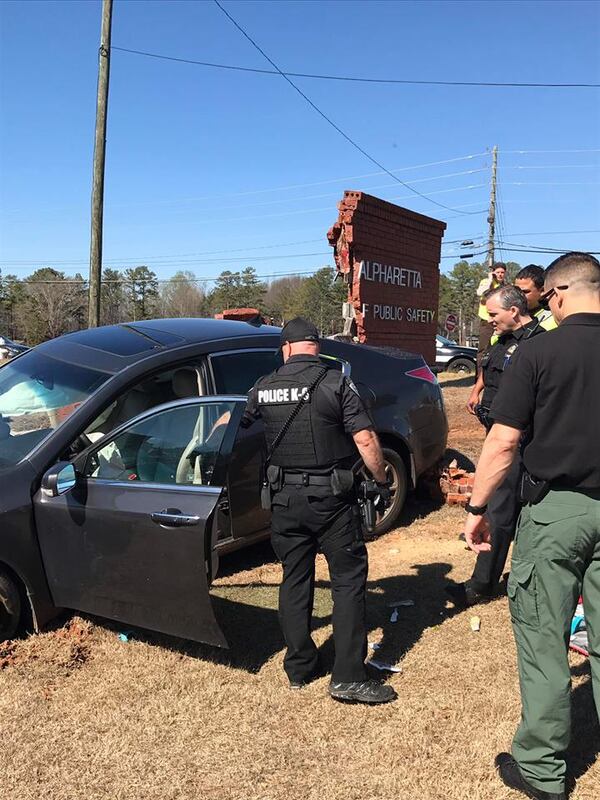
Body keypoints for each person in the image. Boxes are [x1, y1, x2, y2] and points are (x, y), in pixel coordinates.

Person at [464, 252, 600, 800]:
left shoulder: (538, 352)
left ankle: (541, 770)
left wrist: (477, 511)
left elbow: (502, 440)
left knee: (544, 637)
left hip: (558, 510)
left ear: (560, 293)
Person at [243, 317, 397, 704]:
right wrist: (380, 477)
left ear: (286, 348)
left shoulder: (262, 388)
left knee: (295, 579)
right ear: (317, 347)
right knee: (346, 582)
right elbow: (364, 437)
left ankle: (299, 667)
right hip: (331, 501)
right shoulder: (336, 383)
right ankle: (347, 676)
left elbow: (235, 425)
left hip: (283, 502)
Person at [449, 286, 544, 607]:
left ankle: (482, 584)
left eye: (494, 314)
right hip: (494, 429)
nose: (489, 320)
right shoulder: (501, 340)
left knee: (500, 507)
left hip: (518, 438)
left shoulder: (538, 342)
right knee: (502, 505)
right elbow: (488, 371)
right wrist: (477, 391)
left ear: (514, 311)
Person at [476, 262, 507, 361]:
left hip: (500, 320)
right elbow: (480, 292)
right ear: (493, 273)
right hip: (487, 321)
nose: (500, 274)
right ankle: (480, 375)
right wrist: (490, 279)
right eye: (498, 272)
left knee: (499, 347)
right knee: (484, 349)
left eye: (502, 272)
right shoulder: (486, 282)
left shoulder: (505, 286)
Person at [514, 264, 558, 332]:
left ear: (543, 291)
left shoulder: (555, 320)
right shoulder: (511, 318)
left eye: (525, 292)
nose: (518, 296)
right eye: (516, 291)